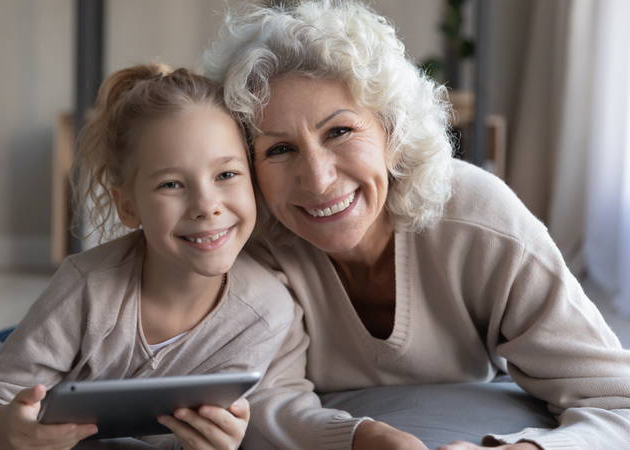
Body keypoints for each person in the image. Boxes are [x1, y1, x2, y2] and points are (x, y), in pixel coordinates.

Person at [201, 1, 630, 449]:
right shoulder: (253, 244)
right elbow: (261, 402)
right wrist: (361, 438)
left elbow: (617, 399)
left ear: (392, 130)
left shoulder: (479, 216)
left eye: (339, 131)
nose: (318, 178)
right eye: (279, 150)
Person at [0, 64, 294, 450]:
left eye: (226, 175)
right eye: (171, 184)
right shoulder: (87, 286)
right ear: (128, 206)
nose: (207, 206)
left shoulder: (265, 312)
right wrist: (4, 432)